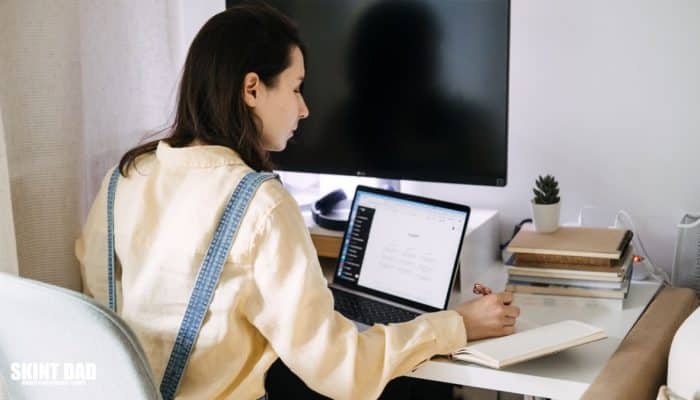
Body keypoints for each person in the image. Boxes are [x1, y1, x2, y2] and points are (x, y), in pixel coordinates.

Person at [76, 2, 520, 399]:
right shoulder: (259, 204)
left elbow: (103, 315)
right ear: (252, 89)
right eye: (295, 87)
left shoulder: (124, 179)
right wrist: (458, 324)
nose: (305, 109)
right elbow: (343, 372)